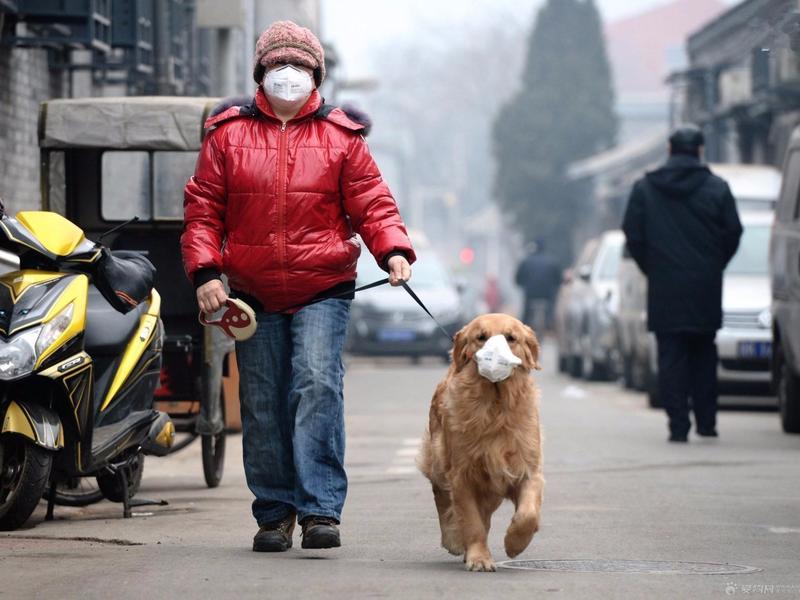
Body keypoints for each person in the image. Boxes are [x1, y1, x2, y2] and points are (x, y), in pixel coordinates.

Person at [181, 20, 416, 552]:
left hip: (322, 286)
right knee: (262, 401)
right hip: (250, 291)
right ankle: (274, 512)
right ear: (260, 73)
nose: (288, 74)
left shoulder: (342, 137)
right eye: (277, 65)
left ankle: (319, 511)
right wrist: (205, 273)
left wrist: (394, 249)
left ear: (316, 75)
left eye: (301, 66)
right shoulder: (226, 135)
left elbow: (373, 203)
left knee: (316, 385)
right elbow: (202, 213)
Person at [622, 126, 742, 443]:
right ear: (700, 150)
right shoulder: (717, 188)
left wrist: (653, 267)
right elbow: (733, 232)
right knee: (704, 352)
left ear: (669, 149)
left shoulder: (646, 187)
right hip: (705, 285)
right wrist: (714, 264)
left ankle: (678, 426)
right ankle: (707, 422)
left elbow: (633, 233)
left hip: (665, 286)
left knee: (671, 356)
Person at [515, 240, 561, 331]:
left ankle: (523, 326)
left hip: (531, 294)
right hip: (547, 294)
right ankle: (549, 323)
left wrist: (522, 284)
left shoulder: (526, 261)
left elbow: (518, 279)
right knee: (551, 307)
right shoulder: (552, 261)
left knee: (526, 312)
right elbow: (558, 280)